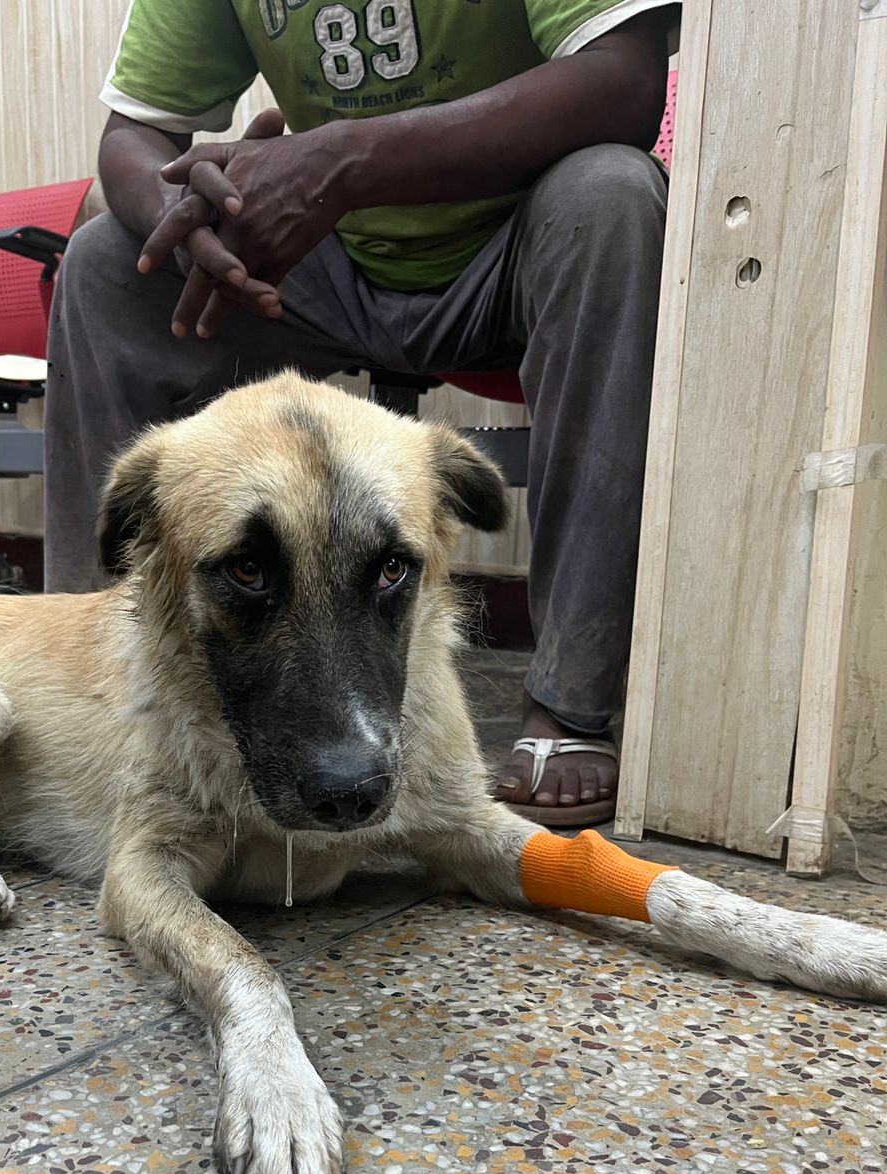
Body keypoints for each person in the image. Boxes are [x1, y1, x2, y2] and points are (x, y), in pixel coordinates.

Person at [44, 0, 680, 826]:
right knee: (101, 264)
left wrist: (341, 159)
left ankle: (569, 706)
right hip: (318, 262)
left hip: (514, 243)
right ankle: (85, 674)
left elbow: (624, 80)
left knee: (615, 196)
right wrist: (190, 215)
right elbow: (132, 137)